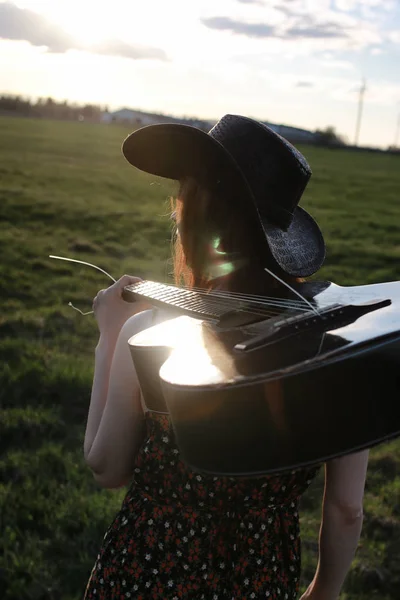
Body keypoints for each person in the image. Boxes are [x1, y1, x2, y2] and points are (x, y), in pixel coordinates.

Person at [83, 115, 369, 600]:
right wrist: (321, 592)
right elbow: (346, 509)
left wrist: (108, 335)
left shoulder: (147, 336)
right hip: (261, 577)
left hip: (147, 576)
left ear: (196, 214)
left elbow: (106, 467)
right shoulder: (337, 346)